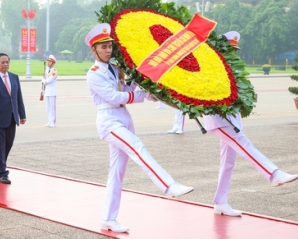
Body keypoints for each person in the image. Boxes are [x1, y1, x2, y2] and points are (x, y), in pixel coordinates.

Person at [85, 23, 194, 233]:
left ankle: (108, 218)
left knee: (117, 172)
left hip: (123, 117)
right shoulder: (94, 73)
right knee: (137, 146)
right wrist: (141, 95)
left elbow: (126, 89)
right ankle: (168, 185)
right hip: (109, 121)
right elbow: (114, 97)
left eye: (110, 46)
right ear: (94, 50)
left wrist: (148, 87)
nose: (108, 50)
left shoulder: (116, 68)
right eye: (103, 47)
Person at [205, 31, 298, 217]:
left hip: (231, 119)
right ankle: (272, 174)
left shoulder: (231, 67)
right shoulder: (211, 66)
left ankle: (220, 202)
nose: (233, 52)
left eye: (234, 49)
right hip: (218, 120)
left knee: (228, 163)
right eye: (229, 49)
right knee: (244, 144)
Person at [0, 53, 26, 185]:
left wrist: (22, 114)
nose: (5, 64)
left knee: (8, 144)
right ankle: (2, 173)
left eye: (7, 62)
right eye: (2, 62)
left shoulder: (14, 77)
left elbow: (18, 97)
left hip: (12, 117)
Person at [42, 54, 58, 128]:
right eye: (48, 61)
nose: (48, 63)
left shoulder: (54, 71)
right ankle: (49, 120)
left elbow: (49, 80)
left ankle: (53, 122)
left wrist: (44, 81)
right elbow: (45, 80)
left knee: (52, 107)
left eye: (50, 62)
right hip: (47, 91)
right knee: (48, 107)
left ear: (53, 63)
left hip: (52, 91)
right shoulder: (46, 70)